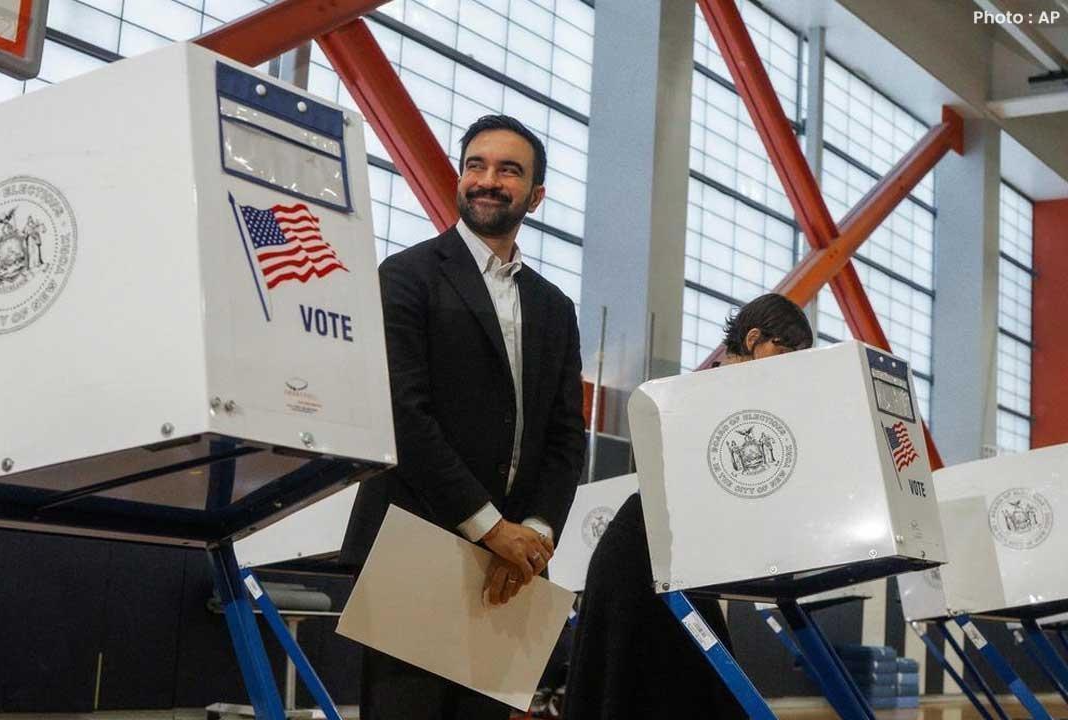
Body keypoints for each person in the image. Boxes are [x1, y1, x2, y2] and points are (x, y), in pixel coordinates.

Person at [339, 114, 586, 720]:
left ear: (536, 194)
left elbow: (565, 438)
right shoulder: (407, 277)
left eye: (509, 170)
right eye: (476, 165)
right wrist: (491, 528)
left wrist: (536, 537)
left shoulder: (555, 308)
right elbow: (405, 415)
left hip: (505, 572)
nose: (488, 180)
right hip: (414, 544)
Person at [564, 292, 813, 720]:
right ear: (754, 339)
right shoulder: (703, 395)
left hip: (674, 557)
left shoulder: (746, 404)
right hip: (641, 551)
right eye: (786, 352)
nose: (792, 367)